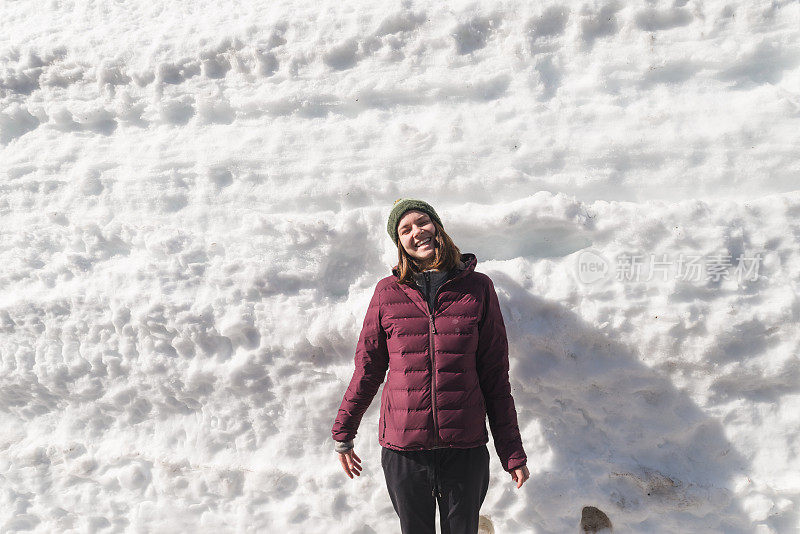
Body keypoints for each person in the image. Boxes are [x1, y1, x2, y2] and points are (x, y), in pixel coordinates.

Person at [331, 198, 530, 534]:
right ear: (400, 244)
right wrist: (343, 433)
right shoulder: (387, 292)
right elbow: (368, 368)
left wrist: (512, 452)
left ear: (437, 226)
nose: (416, 232)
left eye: (422, 222)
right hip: (405, 451)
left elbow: (495, 376)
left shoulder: (478, 288)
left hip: (464, 447)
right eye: (405, 229)